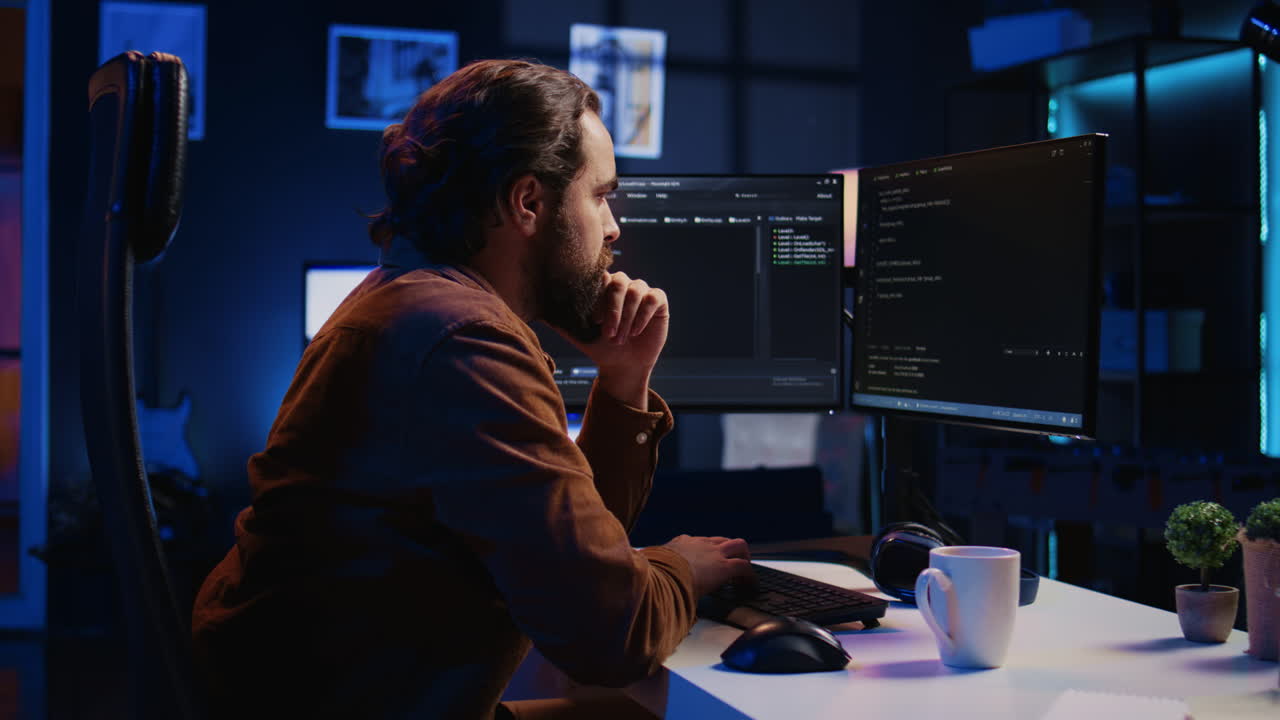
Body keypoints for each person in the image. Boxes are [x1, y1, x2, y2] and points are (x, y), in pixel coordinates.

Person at [191, 59, 753, 719]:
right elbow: (610, 634)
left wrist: (623, 381)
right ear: (528, 203)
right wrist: (684, 568)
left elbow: (571, 563)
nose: (613, 228)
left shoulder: (411, 305)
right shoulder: (460, 341)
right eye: (600, 195)